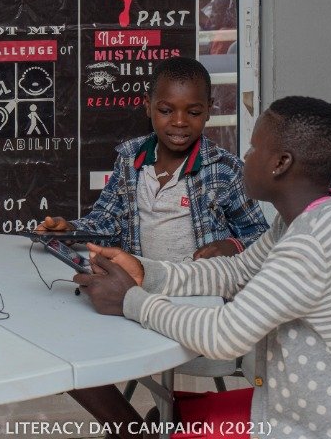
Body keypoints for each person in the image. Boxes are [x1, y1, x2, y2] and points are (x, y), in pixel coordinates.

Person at [79, 96, 331, 439]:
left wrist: (132, 300)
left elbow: (223, 336)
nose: (245, 157)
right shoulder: (322, 210)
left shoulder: (312, 244)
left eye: (252, 148)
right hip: (319, 410)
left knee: (166, 426)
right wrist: (147, 273)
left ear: (281, 163)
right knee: (167, 419)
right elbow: (236, 272)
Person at [35, 56, 269, 434]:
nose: (179, 122)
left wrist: (232, 245)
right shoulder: (130, 159)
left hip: (196, 301)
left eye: (193, 112)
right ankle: (133, 428)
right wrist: (70, 228)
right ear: (147, 107)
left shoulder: (224, 170)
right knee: (62, 347)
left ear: (209, 110)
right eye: (166, 110)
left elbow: (259, 235)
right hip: (135, 288)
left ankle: (149, 426)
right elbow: (107, 221)